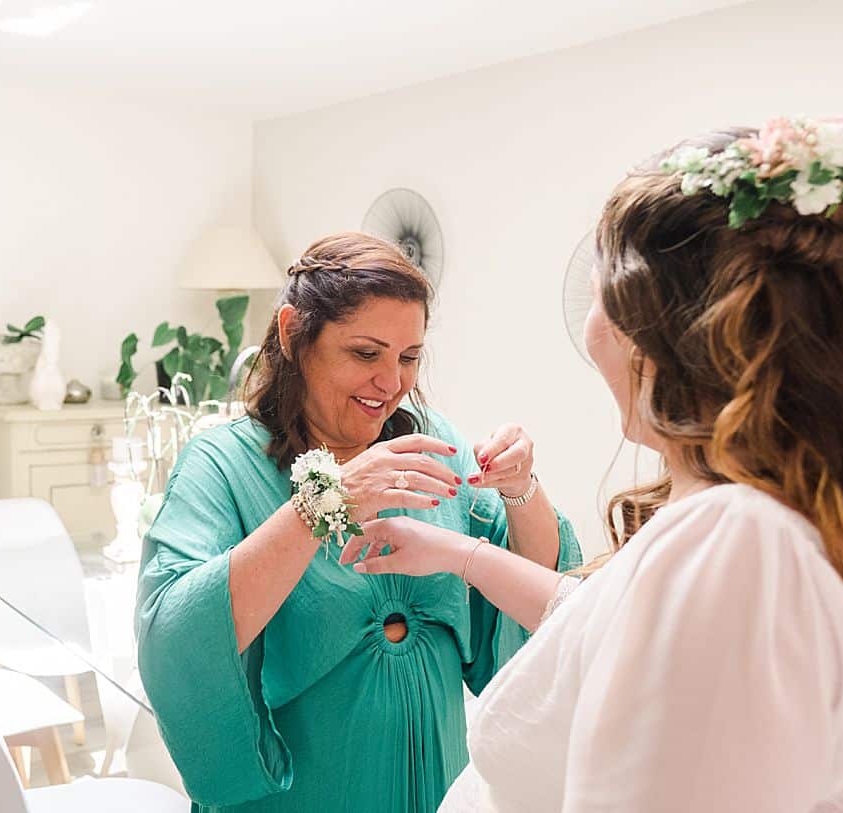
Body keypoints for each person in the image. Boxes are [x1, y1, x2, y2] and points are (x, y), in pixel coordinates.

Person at [340, 120, 843, 812]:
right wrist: (456, 552)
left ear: (651, 329)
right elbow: (599, 620)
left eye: (594, 292)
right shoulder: (769, 522)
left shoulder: (735, 540)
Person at [135, 231, 582, 812]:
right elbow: (175, 635)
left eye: (409, 357)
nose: (392, 382)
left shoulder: (432, 444)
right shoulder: (221, 465)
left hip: (439, 786)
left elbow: (538, 599)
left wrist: (523, 489)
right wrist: (321, 505)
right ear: (294, 334)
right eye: (366, 354)